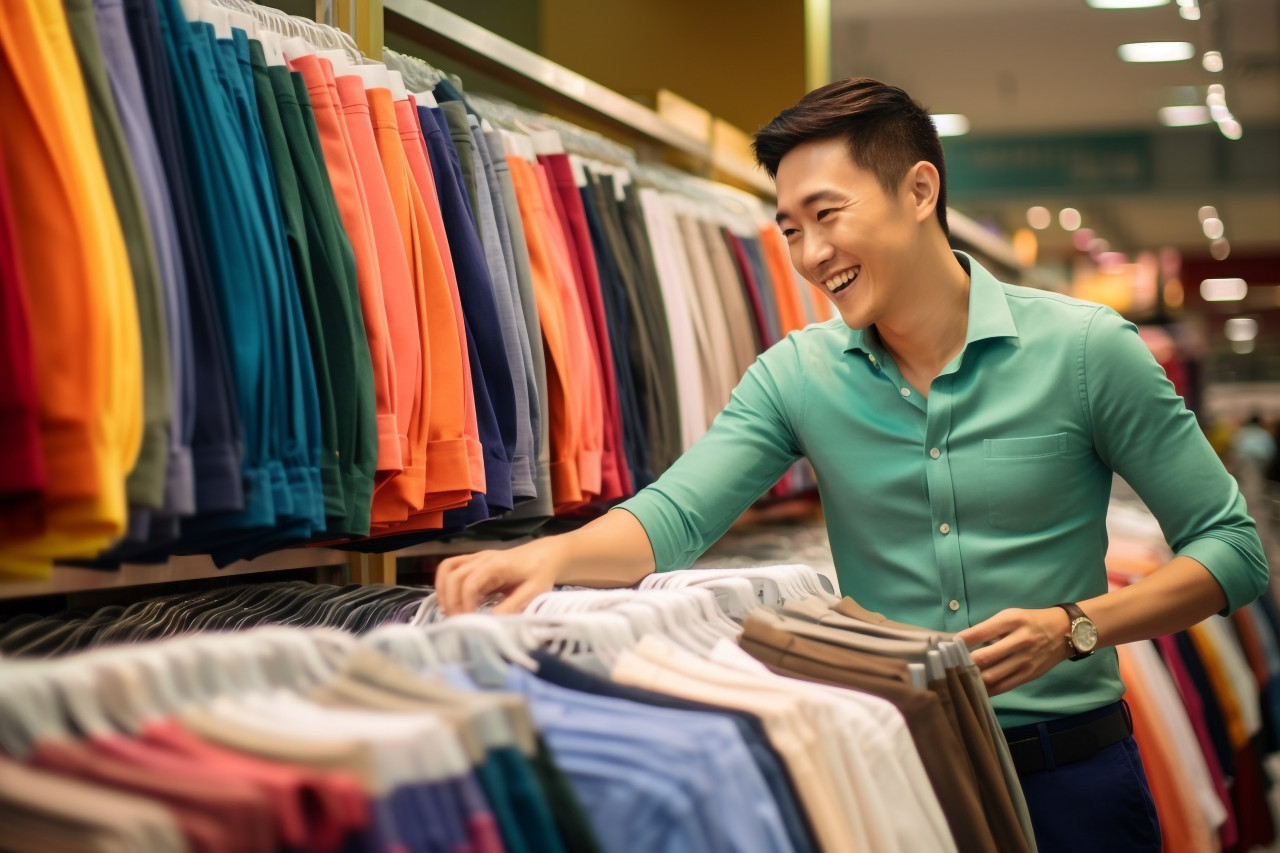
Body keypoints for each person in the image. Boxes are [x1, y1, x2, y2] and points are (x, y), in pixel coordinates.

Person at [436, 78, 1268, 852]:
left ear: (918, 191)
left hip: (1074, 779)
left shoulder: (1087, 351)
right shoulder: (795, 375)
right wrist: (546, 555)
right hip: (902, 777)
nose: (808, 253)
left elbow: (1232, 548)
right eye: (790, 228)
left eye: (827, 214)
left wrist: (1075, 625)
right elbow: (675, 516)